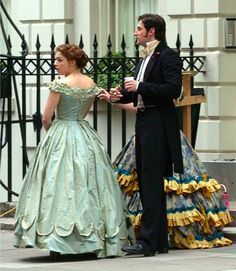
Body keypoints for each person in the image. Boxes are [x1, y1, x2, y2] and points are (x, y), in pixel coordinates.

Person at [14, 44, 135, 258]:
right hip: (83, 133)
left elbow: (46, 118)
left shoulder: (60, 85)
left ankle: (59, 241)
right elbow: (85, 113)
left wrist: (53, 135)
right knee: (89, 185)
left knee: (60, 185)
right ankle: (93, 238)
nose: (55, 63)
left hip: (61, 131)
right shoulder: (90, 83)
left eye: (59, 60)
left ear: (72, 61)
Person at [98, 91, 233, 249]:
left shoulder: (166, 82)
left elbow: (162, 102)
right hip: (145, 134)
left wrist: (129, 93)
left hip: (163, 135)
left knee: (160, 183)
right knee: (147, 185)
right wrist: (113, 99)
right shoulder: (147, 77)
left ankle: (163, 236)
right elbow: (139, 106)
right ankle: (157, 237)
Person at [102, 13, 184, 256]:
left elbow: (173, 89)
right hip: (145, 120)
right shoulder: (145, 57)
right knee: (149, 181)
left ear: (152, 32)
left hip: (158, 122)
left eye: (139, 29)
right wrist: (119, 96)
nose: (135, 32)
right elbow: (138, 93)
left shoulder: (168, 56)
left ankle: (147, 242)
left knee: (151, 181)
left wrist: (140, 87)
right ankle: (158, 241)